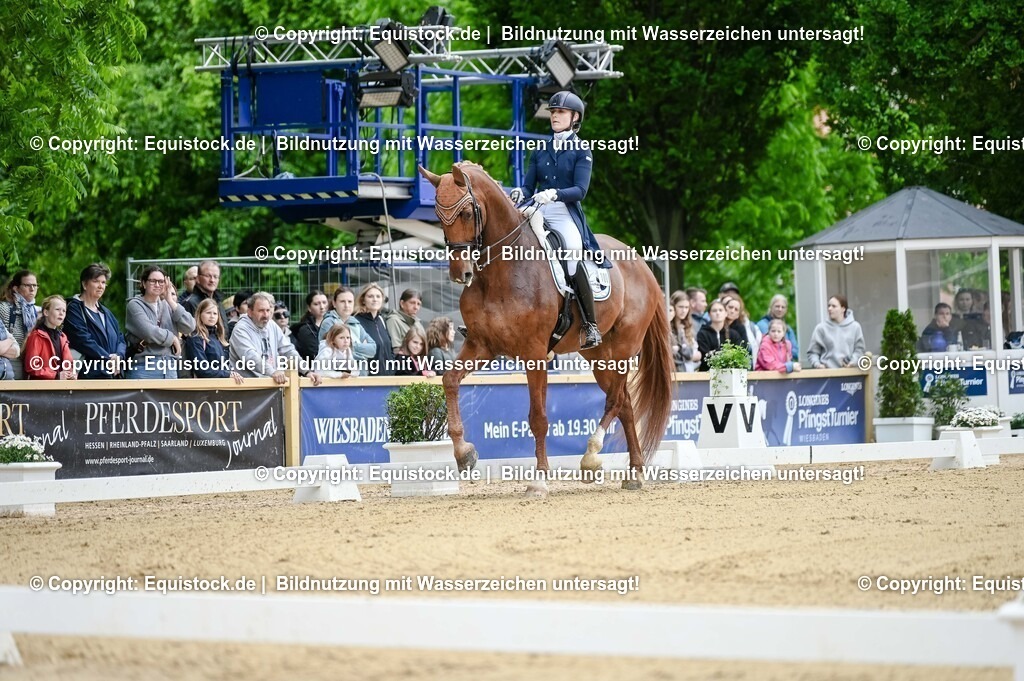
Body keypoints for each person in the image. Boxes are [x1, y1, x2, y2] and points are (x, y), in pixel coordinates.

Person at [510, 90, 610, 349]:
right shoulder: (540, 150)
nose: (555, 116)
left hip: (564, 212)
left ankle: (591, 325)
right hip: (537, 209)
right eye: (553, 112)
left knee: (572, 254)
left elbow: (581, 190)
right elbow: (529, 187)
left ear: (574, 117)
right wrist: (522, 192)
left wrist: (555, 193)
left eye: (561, 112)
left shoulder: (582, 150)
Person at [229, 292, 321, 385]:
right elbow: (251, 357)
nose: (266, 315)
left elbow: (288, 350)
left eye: (268, 310)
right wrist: (273, 372)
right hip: (247, 388)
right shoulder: (240, 330)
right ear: (249, 312)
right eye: (261, 311)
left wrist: (307, 371)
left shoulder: (271, 324)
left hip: (271, 387)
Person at [124, 266, 196, 379]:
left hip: (169, 367)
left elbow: (190, 326)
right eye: (153, 281)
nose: (157, 285)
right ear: (144, 283)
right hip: (145, 367)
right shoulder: (134, 305)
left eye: (161, 281)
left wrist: (170, 301)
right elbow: (149, 332)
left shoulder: (168, 305)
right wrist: (172, 338)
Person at [64, 263, 127, 379]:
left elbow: (121, 339)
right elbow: (82, 339)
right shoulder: (73, 309)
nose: (101, 286)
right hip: (88, 376)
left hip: (113, 375)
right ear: (84, 284)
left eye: (103, 283)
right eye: (96, 281)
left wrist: (119, 356)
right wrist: (107, 359)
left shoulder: (106, 312)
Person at [183, 298, 244, 383]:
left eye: (215, 313)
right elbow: (202, 369)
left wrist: (232, 373)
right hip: (205, 388)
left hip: (222, 385)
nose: (212, 316)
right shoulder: (195, 338)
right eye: (208, 313)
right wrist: (227, 374)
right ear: (199, 314)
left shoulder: (219, 337)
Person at [22, 295, 76, 380]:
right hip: (41, 389)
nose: (61, 313)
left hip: (61, 388)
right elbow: (31, 367)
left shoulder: (63, 337)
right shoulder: (36, 336)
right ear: (46, 312)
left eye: (64, 311)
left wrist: (71, 373)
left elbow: (69, 364)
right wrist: (56, 375)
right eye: (57, 309)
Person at [806, 294, 866, 369]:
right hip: (827, 374)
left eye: (834, 306)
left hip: (850, 373)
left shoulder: (855, 327)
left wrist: (853, 362)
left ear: (843, 309)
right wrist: (817, 365)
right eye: (829, 306)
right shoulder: (820, 328)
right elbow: (813, 352)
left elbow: (859, 350)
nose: (830, 309)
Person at [319, 286, 376, 363]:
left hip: (361, 373)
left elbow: (372, 349)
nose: (346, 305)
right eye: (342, 301)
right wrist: (362, 354)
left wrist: (346, 346)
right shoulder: (329, 323)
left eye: (350, 301)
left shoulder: (356, 323)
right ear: (334, 303)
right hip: (339, 373)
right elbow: (330, 353)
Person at [0, 270, 40, 379]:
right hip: (11, 364)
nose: (32, 289)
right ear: (16, 288)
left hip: (32, 365)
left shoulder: (37, 312)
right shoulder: (4, 309)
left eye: (35, 285)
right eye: (27, 285)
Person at [353, 283, 395, 376]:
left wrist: (392, 369)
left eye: (378, 296)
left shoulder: (381, 320)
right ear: (363, 300)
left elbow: (389, 348)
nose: (375, 299)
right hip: (368, 380)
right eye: (370, 296)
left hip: (388, 377)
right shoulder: (356, 321)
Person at [696, 299, 745, 371]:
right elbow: (705, 357)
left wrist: (714, 352)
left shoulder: (733, 334)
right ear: (709, 314)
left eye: (720, 310)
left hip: (730, 373)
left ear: (726, 313)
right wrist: (726, 352)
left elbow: (740, 354)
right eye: (714, 311)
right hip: (707, 374)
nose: (718, 313)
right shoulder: (702, 334)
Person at [756, 294, 799, 361]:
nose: (780, 309)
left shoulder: (788, 329)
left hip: (786, 366)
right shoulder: (762, 325)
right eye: (777, 306)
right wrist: (785, 351)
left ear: (786, 310)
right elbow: (768, 347)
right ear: (771, 307)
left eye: (783, 307)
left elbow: (796, 352)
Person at [722, 294, 761, 367]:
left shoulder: (740, 328)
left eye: (736, 309)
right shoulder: (717, 324)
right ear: (724, 308)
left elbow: (743, 349)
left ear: (738, 315)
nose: (732, 311)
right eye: (730, 307)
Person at [385, 288, 426, 353]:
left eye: (418, 304)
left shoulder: (418, 323)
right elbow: (395, 350)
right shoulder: (393, 320)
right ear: (402, 303)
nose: (416, 307)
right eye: (412, 303)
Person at [668, 291, 700, 372]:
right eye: (681, 307)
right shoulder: (669, 327)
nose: (684, 310)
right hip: (675, 370)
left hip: (690, 370)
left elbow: (696, 353)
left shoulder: (689, 326)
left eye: (686, 307)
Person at [292, 290, 328, 361]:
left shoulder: (335, 323)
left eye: (324, 302)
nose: (322, 307)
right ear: (309, 308)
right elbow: (312, 353)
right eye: (316, 304)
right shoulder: (305, 329)